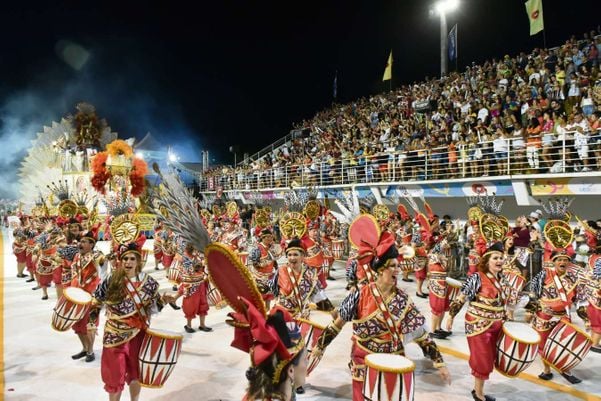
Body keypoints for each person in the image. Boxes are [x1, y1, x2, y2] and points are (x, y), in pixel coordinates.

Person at [313, 231, 451, 401]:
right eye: (393, 266)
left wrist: (439, 362)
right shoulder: (360, 295)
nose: (398, 270)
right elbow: (337, 324)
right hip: (363, 357)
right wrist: (320, 347)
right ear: (381, 270)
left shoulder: (403, 299)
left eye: (398, 266)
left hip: (393, 358)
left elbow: (421, 334)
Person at [90, 236, 173, 401]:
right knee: (114, 374)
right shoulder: (111, 280)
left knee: (135, 371)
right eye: (125, 258)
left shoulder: (149, 283)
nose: (128, 261)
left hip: (137, 334)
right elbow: (96, 302)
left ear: (138, 261)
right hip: (113, 334)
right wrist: (92, 321)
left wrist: (163, 301)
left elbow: (153, 309)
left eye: (132, 258)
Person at [446, 242, 508, 401]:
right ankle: (478, 394)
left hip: (496, 323)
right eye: (495, 258)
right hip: (479, 324)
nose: (500, 260)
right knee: (482, 358)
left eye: (501, 257)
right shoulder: (476, 277)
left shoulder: (502, 278)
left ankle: (478, 389)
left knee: (490, 357)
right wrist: (451, 316)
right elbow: (462, 297)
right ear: (487, 261)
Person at [530, 250, 584, 384]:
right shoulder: (544, 274)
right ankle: (547, 370)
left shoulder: (573, 277)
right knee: (543, 344)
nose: (562, 262)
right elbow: (532, 291)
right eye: (559, 260)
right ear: (553, 262)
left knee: (564, 343)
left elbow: (578, 297)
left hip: (563, 316)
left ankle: (565, 370)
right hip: (544, 316)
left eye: (565, 260)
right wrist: (532, 309)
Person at [69, 229, 105, 362]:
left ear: (92, 244)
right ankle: (84, 348)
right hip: (76, 295)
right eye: (80, 241)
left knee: (90, 325)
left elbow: (102, 260)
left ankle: (90, 351)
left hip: (92, 297)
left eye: (84, 242)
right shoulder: (77, 256)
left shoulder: (96, 255)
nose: (80, 244)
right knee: (77, 325)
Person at [173, 243, 212, 333]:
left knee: (203, 303)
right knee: (190, 304)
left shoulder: (197, 256)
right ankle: (188, 325)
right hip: (190, 284)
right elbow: (182, 270)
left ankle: (202, 325)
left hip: (200, 283)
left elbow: (202, 266)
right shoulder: (182, 257)